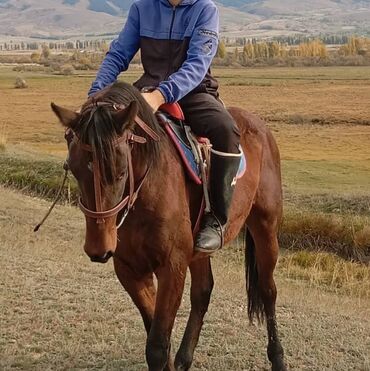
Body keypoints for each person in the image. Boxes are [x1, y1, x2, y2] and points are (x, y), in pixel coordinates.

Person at [88, 0, 241, 254]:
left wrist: (161, 95)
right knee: (104, 133)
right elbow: (118, 54)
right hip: (147, 91)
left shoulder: (205, 10)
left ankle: (216, 219)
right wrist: (95, 95)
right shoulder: (141, 8)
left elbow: (197, 65)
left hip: (194, 92)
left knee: (226, 130)